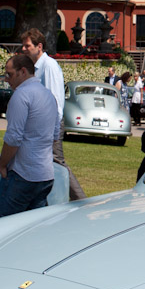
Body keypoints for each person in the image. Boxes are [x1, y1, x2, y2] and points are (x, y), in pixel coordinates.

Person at [21, 28, 85, 200]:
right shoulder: (37, 67)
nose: (23, 49)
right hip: (42, 125)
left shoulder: (48, 66)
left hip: (50, 125)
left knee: (58, 163)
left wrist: (54, 130)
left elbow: (55, 100)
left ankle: (81, 201)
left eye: (27, 46)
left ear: (39, 46)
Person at [0, 54, 59, 217]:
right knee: (34, 230)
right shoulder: (49, 96)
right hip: (45, 174)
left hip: (23, 175)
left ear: (23, 71)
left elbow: (13, 138)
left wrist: (2, 165)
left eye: (9, 74)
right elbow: (55, 135)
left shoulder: (21, 95)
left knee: (3, 228)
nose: (7, 80)